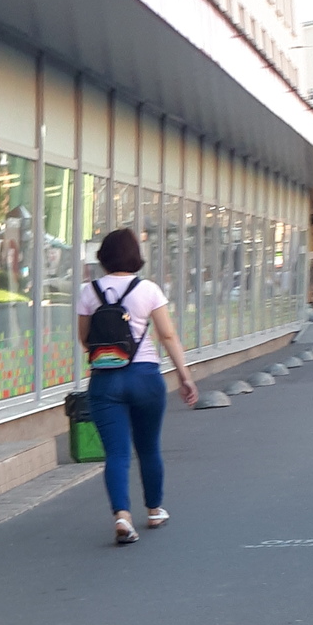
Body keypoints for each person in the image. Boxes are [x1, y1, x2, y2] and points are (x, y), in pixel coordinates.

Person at [77, 227, 198, 545]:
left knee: (116, 453)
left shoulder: (88, 292)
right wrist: (185, 377)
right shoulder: (149, 290)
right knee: (148, 448)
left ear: (103, 257)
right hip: (146, 377)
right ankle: (155, 510)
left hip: (104, 380)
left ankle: (122, 517)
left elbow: (84, 339)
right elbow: (168, 336)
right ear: (135, 255)